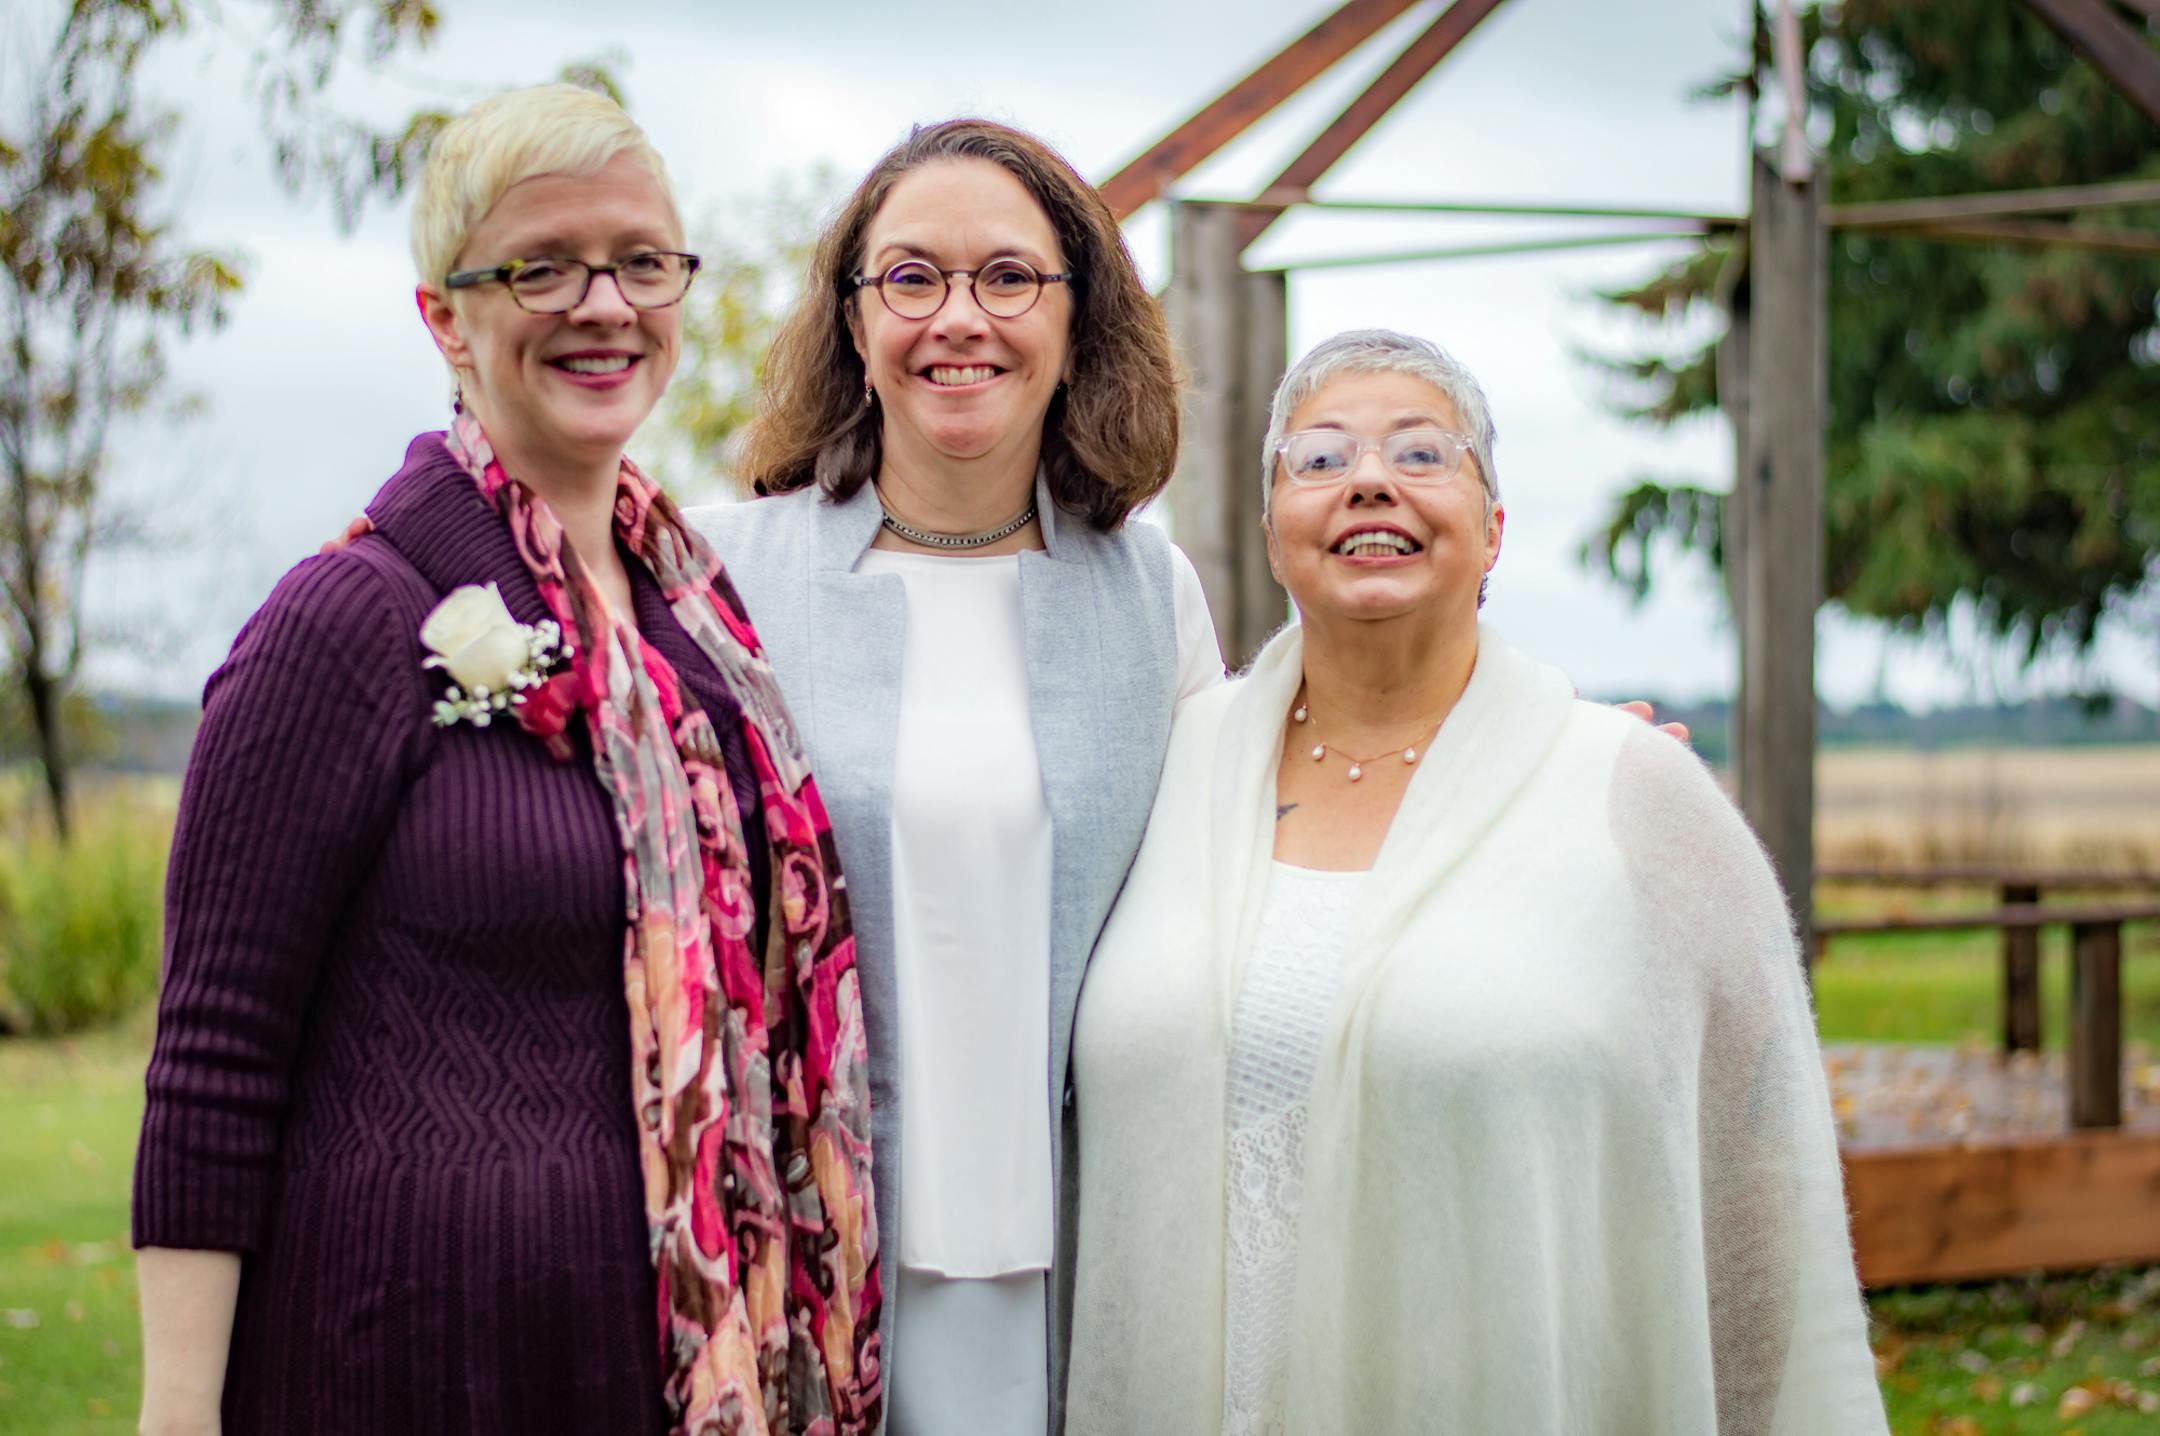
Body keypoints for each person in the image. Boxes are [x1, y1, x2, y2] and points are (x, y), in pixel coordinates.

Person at [131, 85, 879, 1436]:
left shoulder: (701, 638)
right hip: (398, 1365)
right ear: (445, 315)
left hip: (652, 1368)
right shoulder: (347, 621)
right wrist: (177, 1416)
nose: (604, 304)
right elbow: (212, 1060)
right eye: (544, 265)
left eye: (643, 261)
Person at [1064, 329, 1888, 1434]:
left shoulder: (1629, 789)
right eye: (1318, 459)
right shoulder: (1167, 773)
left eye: (1421, 453)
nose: (1367, 479)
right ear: (1272, 535)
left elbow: (1758, 1159)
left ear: (1495, 529)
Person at [684, 118, 1223, 1436]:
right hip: (806, 1234)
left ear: (1076, 317)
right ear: (854, 323)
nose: (957, 318)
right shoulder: (724, 574)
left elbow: (1255, 849)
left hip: (1082, 1235)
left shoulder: (1154, 593)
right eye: (911, 278)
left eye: (1008, 277)